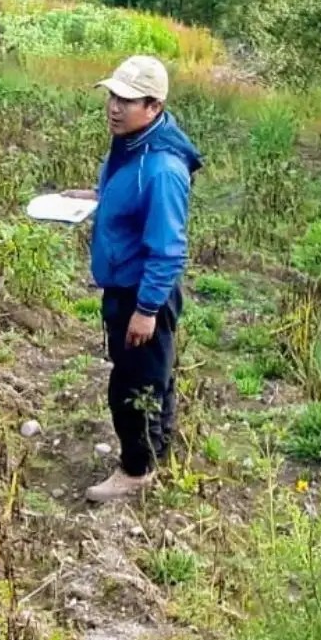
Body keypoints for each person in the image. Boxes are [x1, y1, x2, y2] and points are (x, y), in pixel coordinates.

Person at [65, 55, 202, 502]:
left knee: (132, 386)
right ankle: (158, 449)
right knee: (152, 375)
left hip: (140, 293)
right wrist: (94, 197)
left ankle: (136, 470)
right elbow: (128, 198)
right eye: (112, 95)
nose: (114, 107)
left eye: (127, 100)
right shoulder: (131, 145)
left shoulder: (162, 169)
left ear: (154, 106)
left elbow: (167, 249)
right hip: (126, 287)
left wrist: (145, 310)